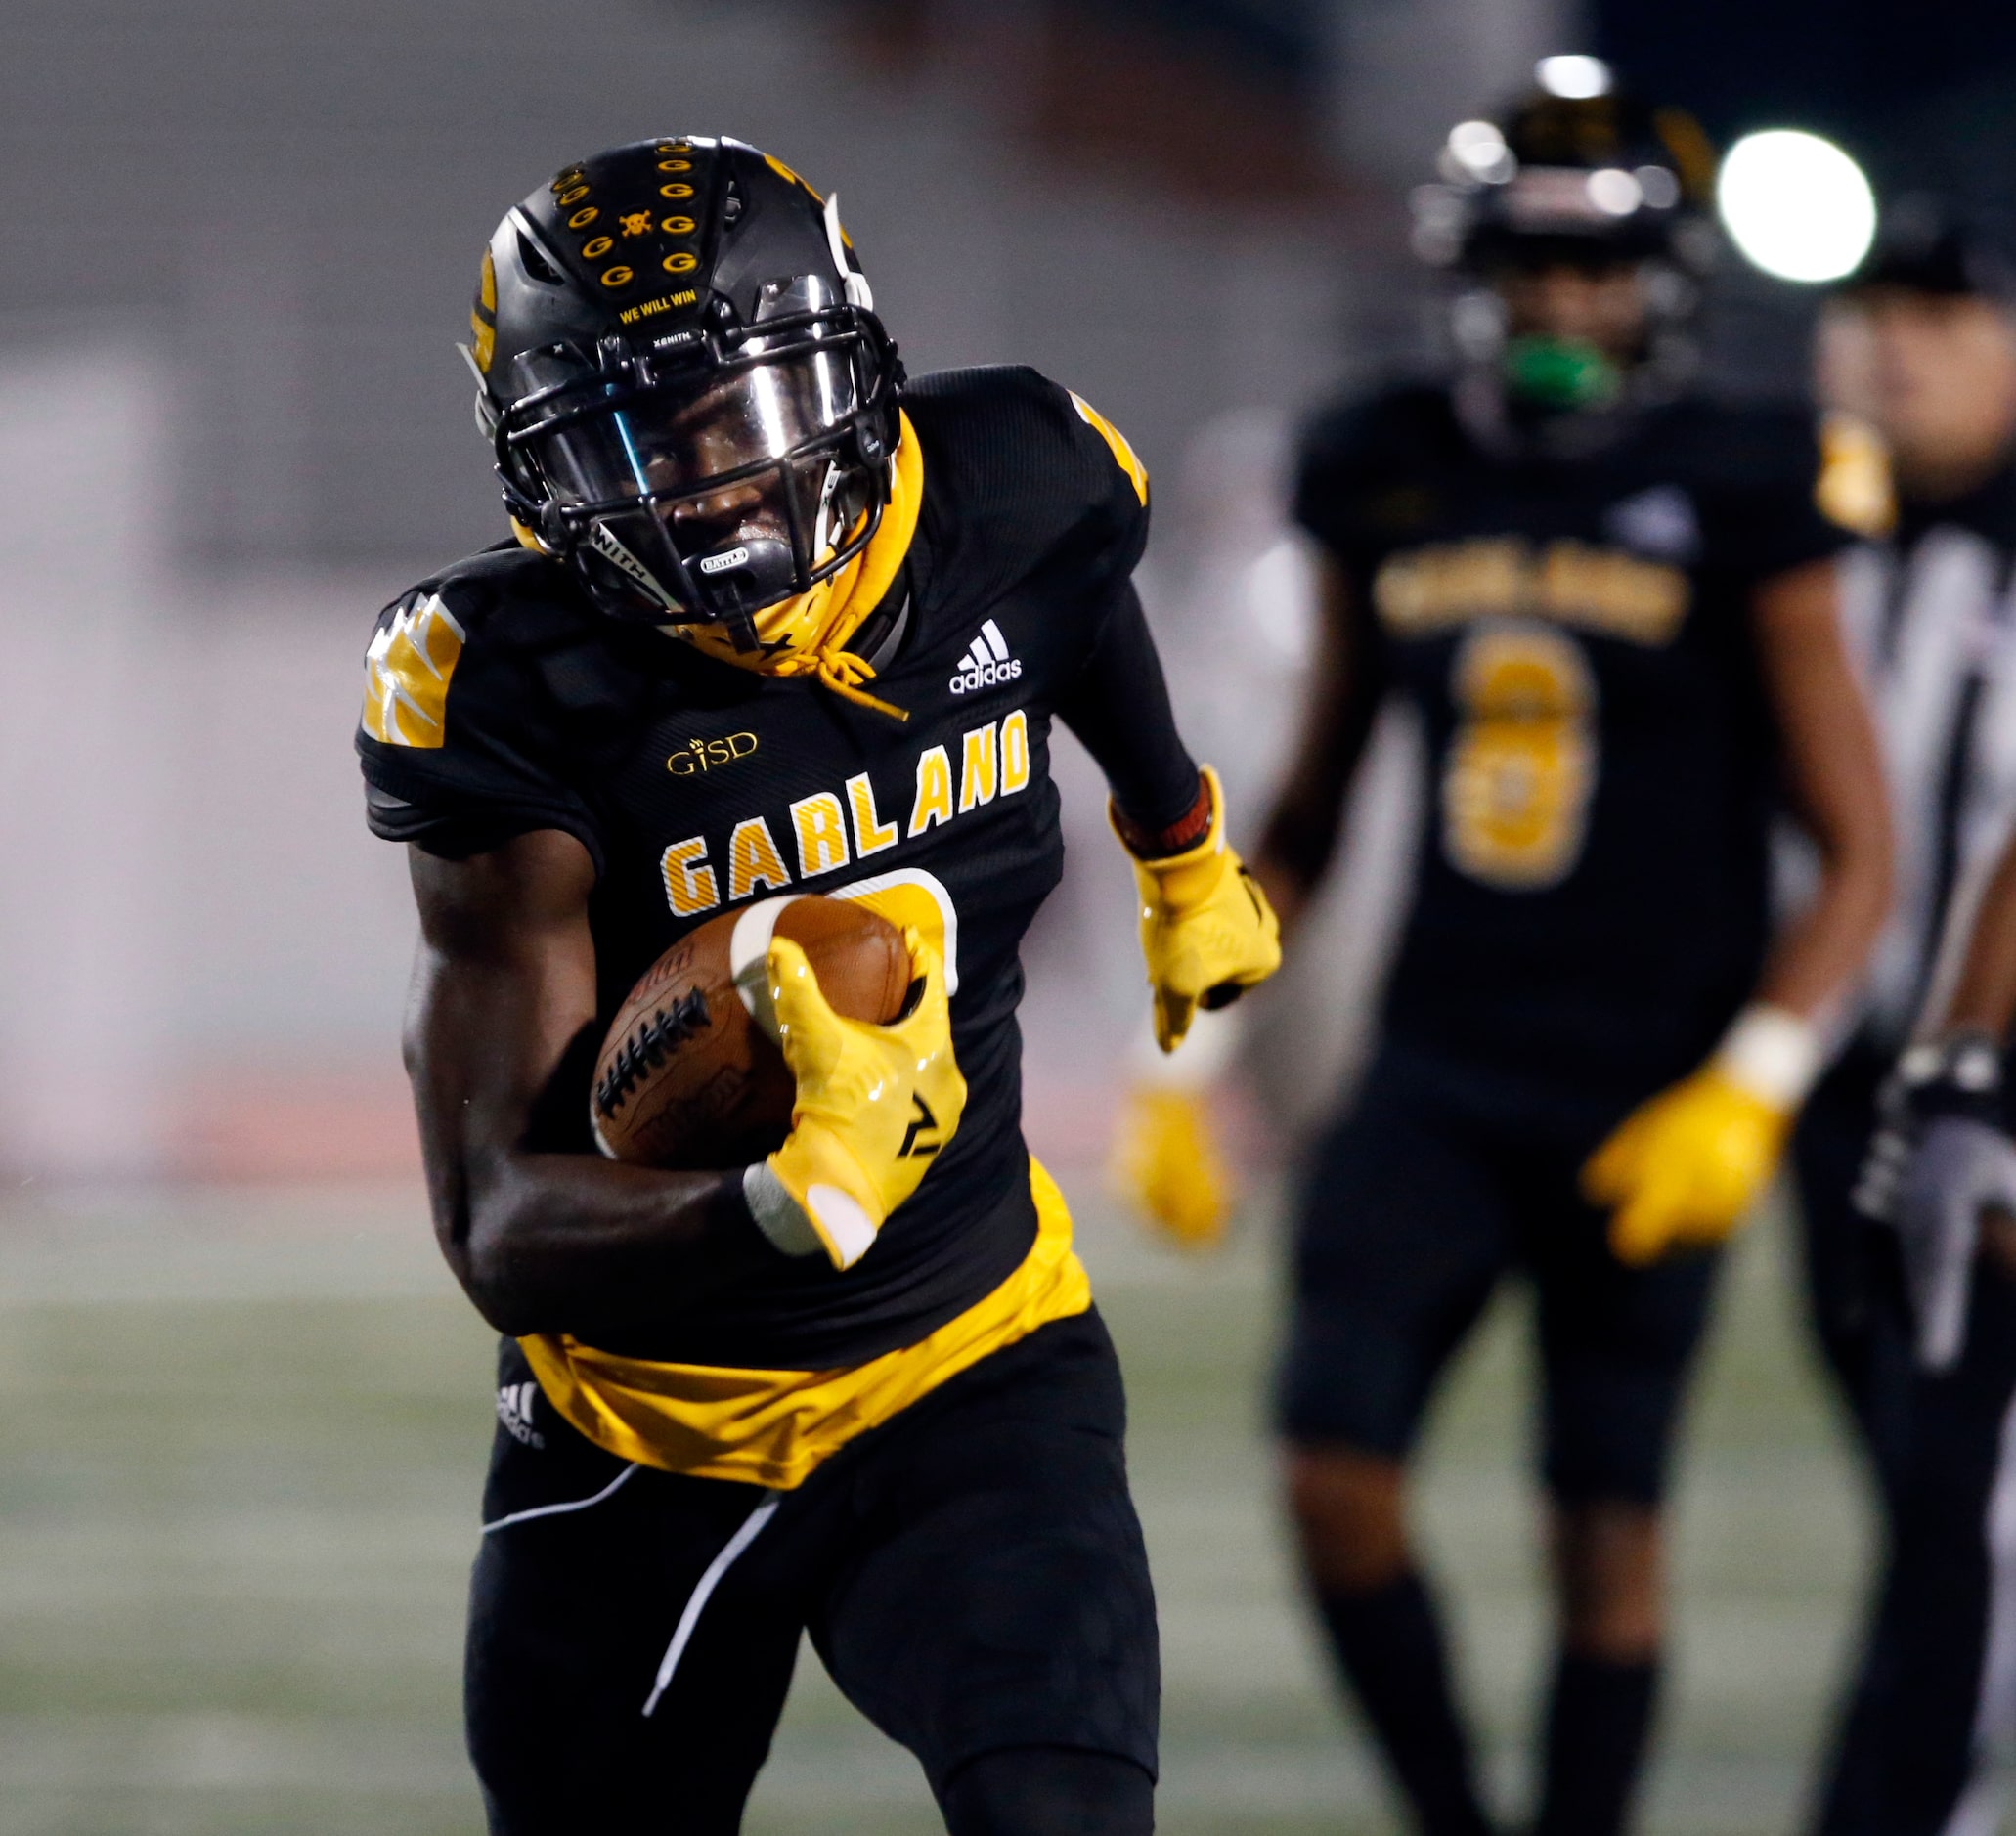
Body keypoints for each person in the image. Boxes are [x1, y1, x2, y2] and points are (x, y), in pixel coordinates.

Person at [353, 135, 1278, 1834]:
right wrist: (784, 1204)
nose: (701, 488)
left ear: (854, 375)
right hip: (643, 1429)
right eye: (623, 443)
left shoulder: (1020, 478)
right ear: (532, 470)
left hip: (971, 1355)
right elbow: (493, 1222)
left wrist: (1181, 842)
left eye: (736, 416)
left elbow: (1079, 611)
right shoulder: (510, 685)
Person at [1249, 68, 1892, 1836]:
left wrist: (1751, 1083)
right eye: (1528, 266)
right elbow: (1309, 800)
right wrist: (1195, 1050)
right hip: (1440, 1060)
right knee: (1327, 1470)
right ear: (1468, 270)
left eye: (1593, 269)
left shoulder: (1748, 478)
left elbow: (1858, 848)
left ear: (1658, 283)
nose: (1557, 305)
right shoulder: (1383, 461)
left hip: (1650, 1075)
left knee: (1606, 1531)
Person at [1796, 201, 2016, 1836]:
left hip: (1985, 1086)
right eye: (1874, 306)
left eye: (1944, 314)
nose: (1896, 341)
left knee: (1956, 1494)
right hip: (1844, 1077)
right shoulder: (1800, 529)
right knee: (1924, 1492)